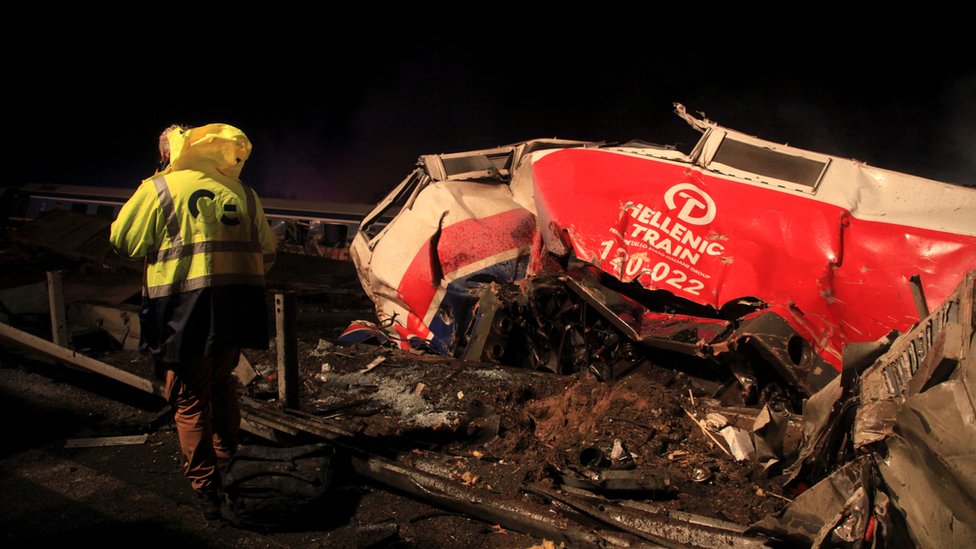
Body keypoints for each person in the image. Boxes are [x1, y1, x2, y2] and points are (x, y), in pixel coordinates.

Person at [110, 123, 277, 519]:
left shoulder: (160, 189)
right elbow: (267, 251)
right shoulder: (242, 192)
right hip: (236, 306)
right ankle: (230, 460)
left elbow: (124, 242)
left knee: (188, 398)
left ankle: (206, 489)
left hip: (183, 310)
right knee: (222, 383)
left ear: (168, 154)